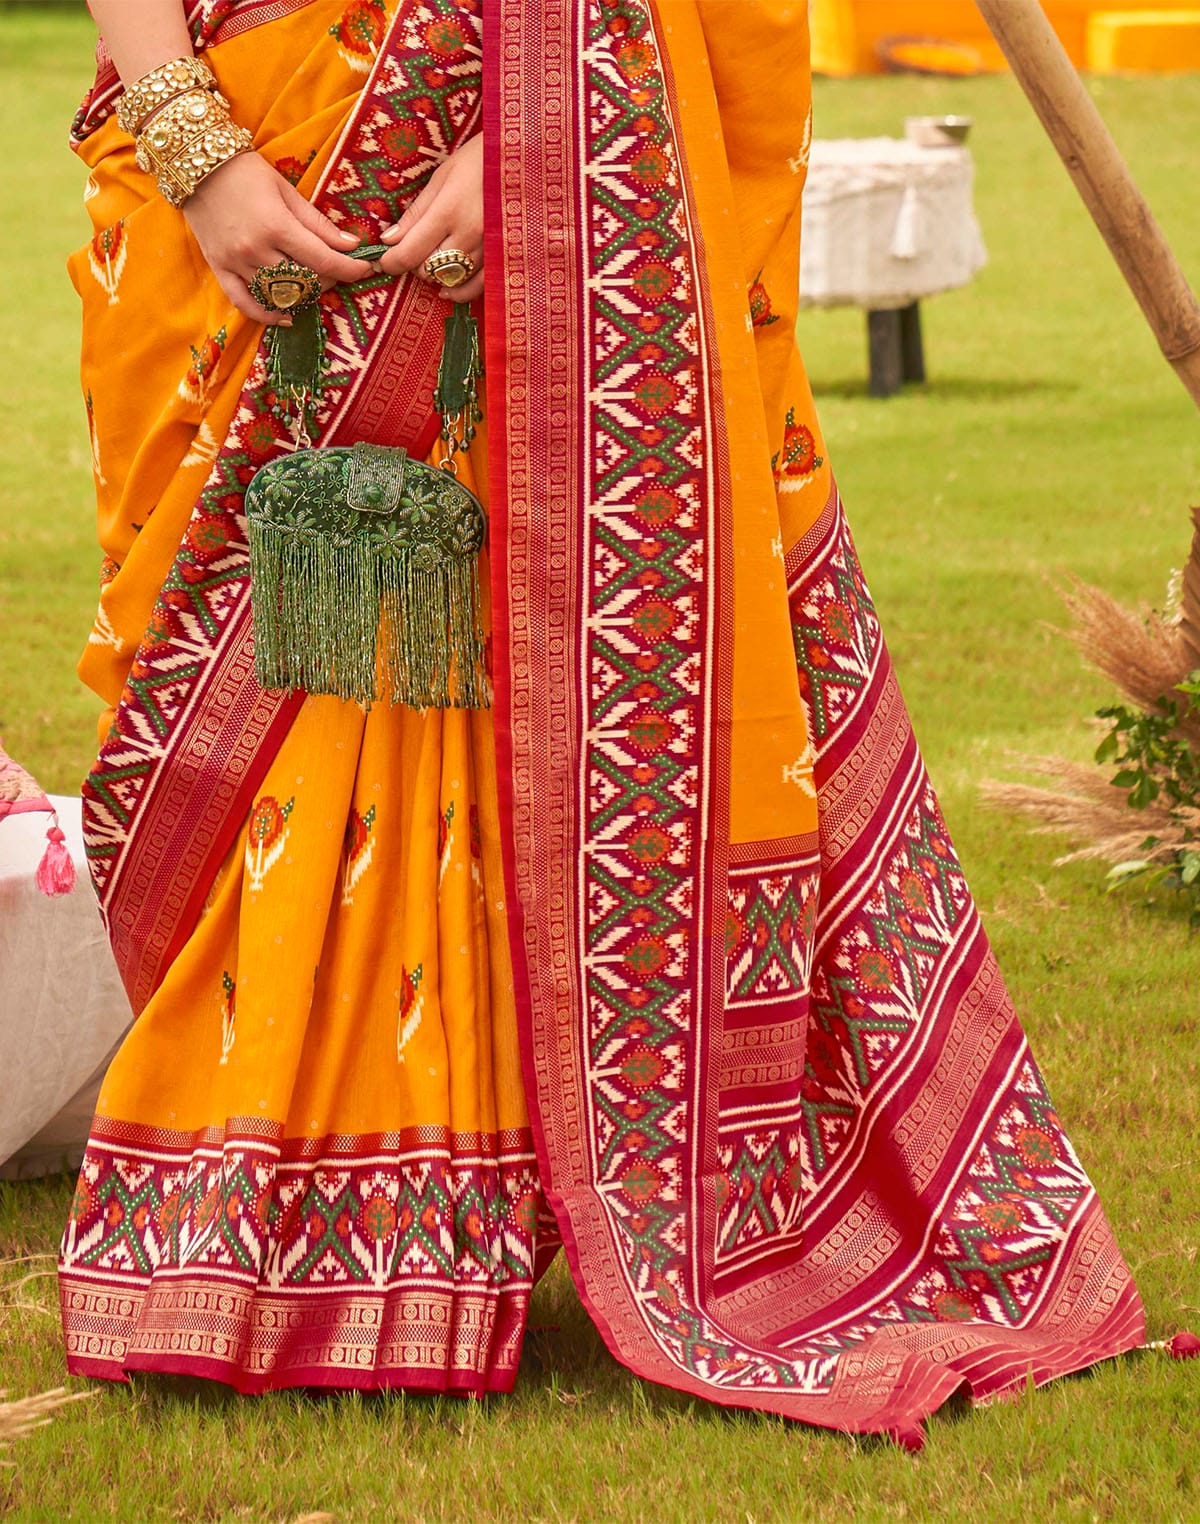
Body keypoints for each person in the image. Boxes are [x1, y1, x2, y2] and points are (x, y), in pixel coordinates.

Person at [60, 0, 1144, 1448]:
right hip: (237, 96)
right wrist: (194, 145)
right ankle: (253, 1179)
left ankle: (427, 1215)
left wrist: (537, 146)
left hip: (529, 104)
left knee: (500, 663)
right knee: (256, 661)